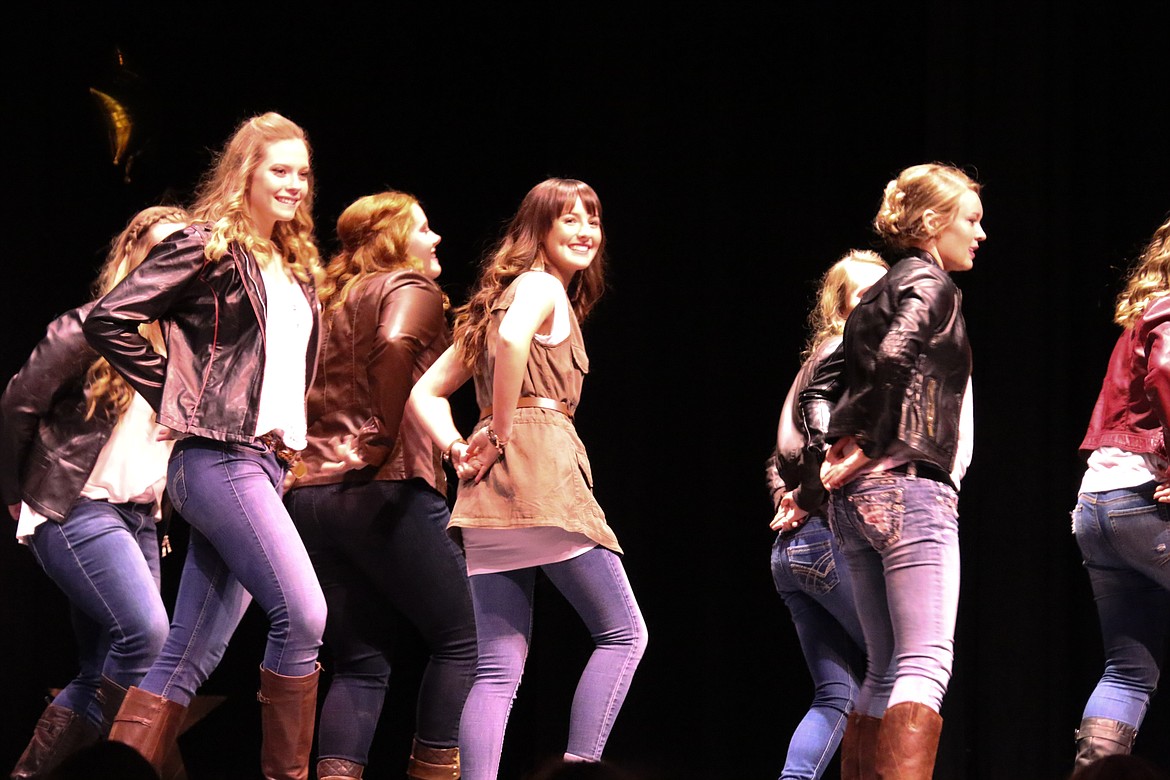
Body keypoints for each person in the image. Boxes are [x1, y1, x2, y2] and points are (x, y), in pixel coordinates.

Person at [82, 112, 327, 779]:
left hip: (263, 464)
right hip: (217, 457)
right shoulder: (207, 244)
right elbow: (110, 318)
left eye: (303, 173)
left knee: (187, 655)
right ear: (245, 171)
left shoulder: (297, 266)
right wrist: (179, 393)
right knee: (304, 616)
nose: (294, 184)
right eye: (280, 170)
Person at [408, 178, 648, 780]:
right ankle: (579, 770)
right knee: (624, 634)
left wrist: (459, 446)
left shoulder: (500, 299)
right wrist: (504, 429)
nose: (585, 231)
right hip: (539, 473)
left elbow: (424, 394)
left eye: (592, 218)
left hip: (489, 494)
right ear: (538, 230)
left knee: (496, 667)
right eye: (568, 219)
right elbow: (514, 342)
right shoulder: (540, 286)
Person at [284, 191, 476, 780]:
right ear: (394, 237)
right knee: (467, 641)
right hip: (383, 486)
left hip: (308, 496)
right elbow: (395, 347)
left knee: (360, 662)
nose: (436, 238)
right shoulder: (407, 287)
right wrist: (376, 438)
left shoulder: (321, 300)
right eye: (424, 226)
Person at [802, 163, 983, 779]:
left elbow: (817, 389)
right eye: (971, 220)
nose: (979, 234)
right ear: (933, 223)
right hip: (908, 492)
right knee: (925, 663)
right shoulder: (931, 286)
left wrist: (838, 447)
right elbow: (896, 353)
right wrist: (870, 440)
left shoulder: (873, 293)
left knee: (882, 666)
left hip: (856, 504)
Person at [2, 206, 188, 778]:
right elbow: (17, 405)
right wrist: (13, 492)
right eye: (158, 253)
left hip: (138, 520)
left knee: (99, 666)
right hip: (75, 506)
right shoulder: (87, 327)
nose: (169, 269)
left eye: (181, 259)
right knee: (147, 635)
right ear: (131, 257)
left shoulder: (186, 348)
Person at [765, 250, 886, 780]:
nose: (878, 306)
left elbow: (776, 457)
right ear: (839, 308)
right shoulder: (847, 353)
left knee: (837, 693)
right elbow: (815, 443)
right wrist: (809, 498)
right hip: (830, 539)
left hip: (794, 550)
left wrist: (787, 500)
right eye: (863, 295)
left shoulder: (814, 359)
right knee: (904, 670)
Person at [1071, 213, 1170, 770]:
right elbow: (1168, 371)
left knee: (1128, 672)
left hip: (1097, 504)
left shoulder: (1143, 313)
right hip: (1142, 498)